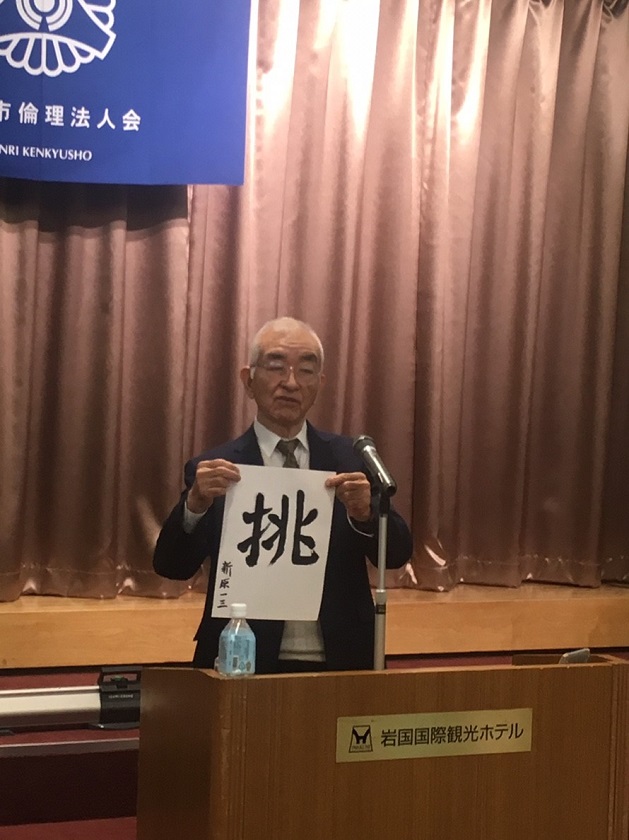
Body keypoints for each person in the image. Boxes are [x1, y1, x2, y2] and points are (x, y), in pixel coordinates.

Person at [153, 317, 412, 673]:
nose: (291, 383)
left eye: (306, 370)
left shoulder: (350, 460)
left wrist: (366, 514)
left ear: (320, 384)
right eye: (276, 367)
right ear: (248, 381)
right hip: (244, 658)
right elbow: (171, 566)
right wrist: (195, 505)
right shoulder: (216, 468)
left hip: (341, 658)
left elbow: (397, 554)